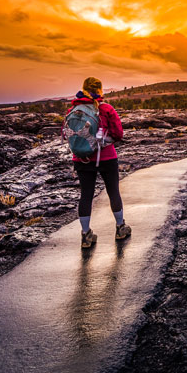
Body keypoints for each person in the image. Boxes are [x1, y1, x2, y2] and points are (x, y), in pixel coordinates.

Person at [66, 77, 131, 248]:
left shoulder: (73, 110)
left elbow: (68, 135)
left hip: (81, 159)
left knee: (86, 195)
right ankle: (120, 228)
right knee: (113, 192)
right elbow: (118, 133)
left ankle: (86, 235)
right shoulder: (106, 109)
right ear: (100, 90)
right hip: (107, 157)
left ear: (83, 88)